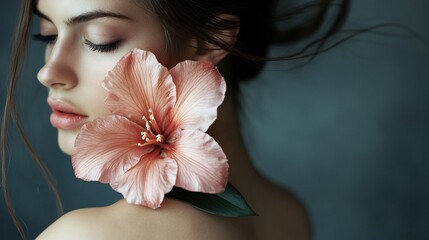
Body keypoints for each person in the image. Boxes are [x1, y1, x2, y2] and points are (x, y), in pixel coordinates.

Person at [1, 0, 350, 239]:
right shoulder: (287, 215)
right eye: (47, 35)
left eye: (99, 40)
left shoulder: (87, 236)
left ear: (207, 42)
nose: (49, 72)